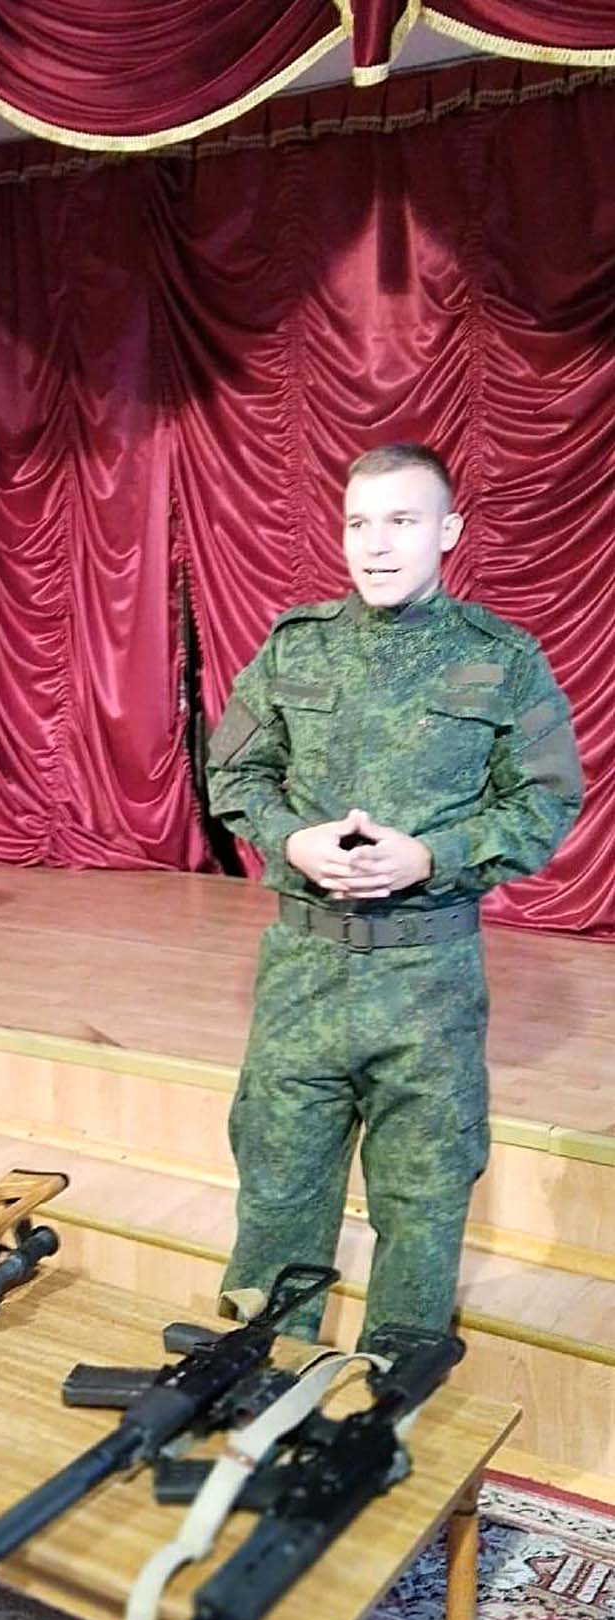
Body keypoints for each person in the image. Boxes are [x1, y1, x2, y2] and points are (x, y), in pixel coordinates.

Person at [205, 444, 582, 1344]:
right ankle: (259, 1366)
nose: (375, 545)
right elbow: (233, 772)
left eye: (401, 521)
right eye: (358, 523)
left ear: (447, 531)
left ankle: (395, 1376)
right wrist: (289, 838)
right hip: (302, 973)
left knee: (422, 1194)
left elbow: (544, 801)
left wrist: (430, 857)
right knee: (278, 1180)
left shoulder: (501, 660)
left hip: (427, 982)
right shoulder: (296, 645)